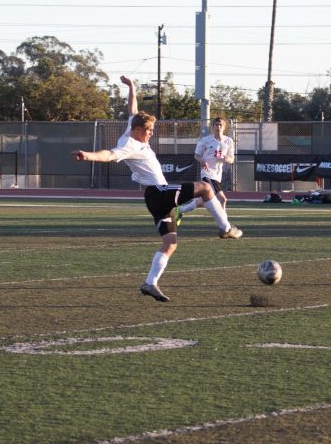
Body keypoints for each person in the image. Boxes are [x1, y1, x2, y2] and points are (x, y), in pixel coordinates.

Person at [71, 75, 242, 302]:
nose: (152, 133)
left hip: (154, 198)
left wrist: (131, 87)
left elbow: (133, 108)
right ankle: (226, 228)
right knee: (205, 188)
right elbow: (109, 155)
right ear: (139, 129)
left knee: (170, 243)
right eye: (149, 130)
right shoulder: (129, 144)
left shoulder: (133, 129)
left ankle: (150, 283)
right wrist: (88, 155)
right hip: (157, 192)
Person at [174, 116, 235, 223]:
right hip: (207, 173)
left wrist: (227, 159)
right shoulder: (205, 140)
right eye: (216, 124)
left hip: (218, 174)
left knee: (202, 201)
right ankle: (225, 225)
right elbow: (196, 155)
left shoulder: (228, 141)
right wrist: (202, 160)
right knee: (223, 199)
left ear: (224, 127)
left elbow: (232, 159)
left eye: (221, 125)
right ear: (212, 126)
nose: (218, 127)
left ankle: (181, 209)